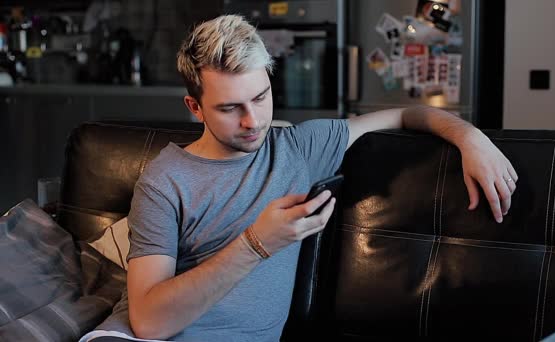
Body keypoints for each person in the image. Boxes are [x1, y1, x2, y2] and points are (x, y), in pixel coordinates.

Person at [81, 14, 517, 342]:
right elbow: (149, 321)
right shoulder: (164, 181)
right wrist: (257, 244)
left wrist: (471, 138)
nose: (253, 121)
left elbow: (406, 113)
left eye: (261, 97)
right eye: (230, 108)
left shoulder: (298, 148)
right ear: (195, 108)